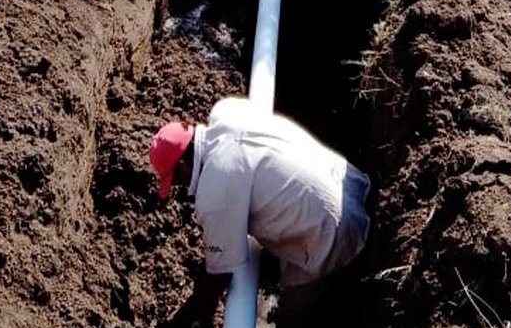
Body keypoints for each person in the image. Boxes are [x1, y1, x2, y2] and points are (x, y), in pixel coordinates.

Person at [148, 97, 370, 297]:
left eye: (175, 181)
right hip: (350, 185)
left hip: (338, 234)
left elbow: (221, 274)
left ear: (182, 167)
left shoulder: (215, 188)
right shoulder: (229, 112)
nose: (180, 187)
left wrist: (181, 323)